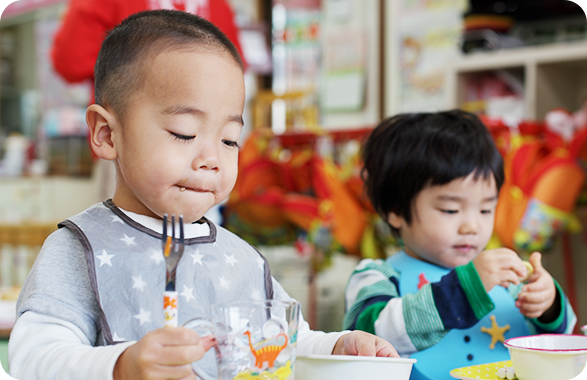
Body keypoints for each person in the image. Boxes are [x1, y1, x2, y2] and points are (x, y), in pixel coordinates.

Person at [8, 10, 398, 380]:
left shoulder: (237, 257)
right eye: (184, 133)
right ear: (107, 134)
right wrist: (121, 366)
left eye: (229, 140)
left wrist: (336, 346)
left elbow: (279, 340)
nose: (212, 159)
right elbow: (32, 360)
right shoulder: (79, 249)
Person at [343, 110, 576, 380]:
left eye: (486, 210)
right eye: (451, 210)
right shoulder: (377, 276)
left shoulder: (506, 276)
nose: (472, 227)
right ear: (395, 209)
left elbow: (562, 341)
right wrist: (465, 290)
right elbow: (369, 338)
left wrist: (548, 305)